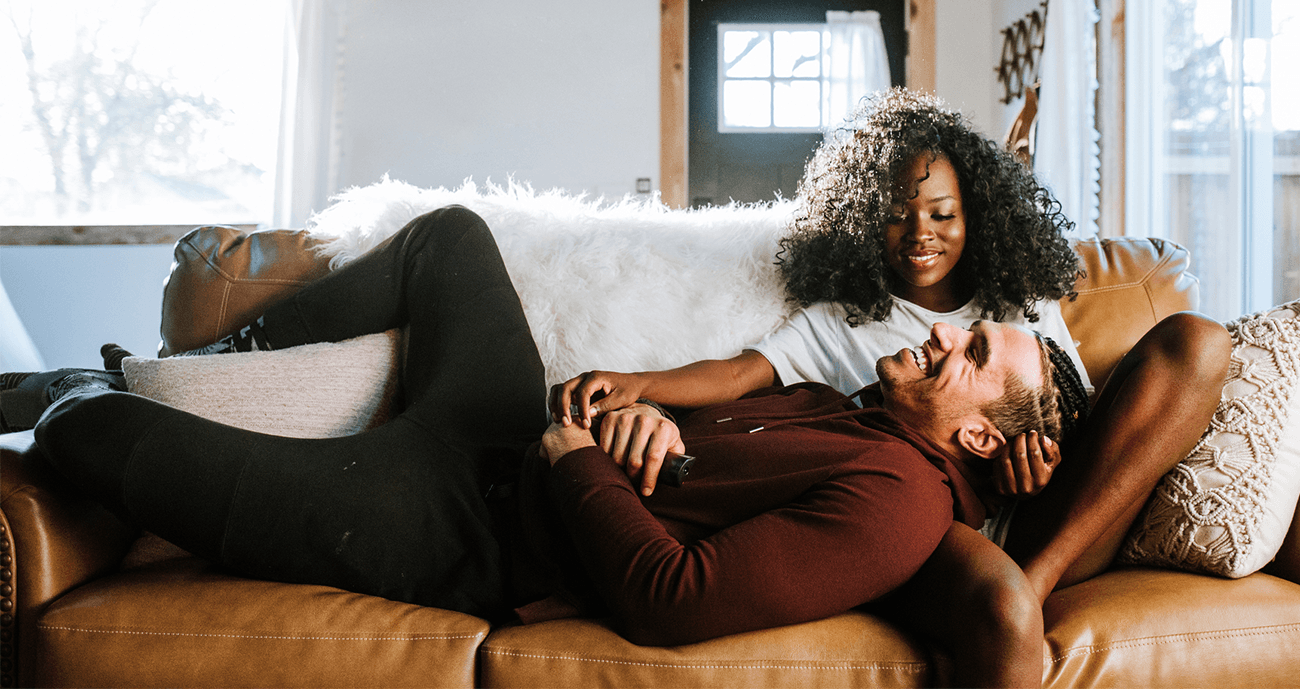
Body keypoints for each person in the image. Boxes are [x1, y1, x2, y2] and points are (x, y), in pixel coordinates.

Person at [1, 204, 1083, 651]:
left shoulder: (896, 503)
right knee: (449, 238)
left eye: (975, 358)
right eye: (969, 333)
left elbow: (678, 597)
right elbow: (701, 446)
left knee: (90, 430)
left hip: (463, 531)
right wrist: (634, 414)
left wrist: (581, 466)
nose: (947, 339)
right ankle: (211, 363)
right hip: (503, 427)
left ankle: (98, 390)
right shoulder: (852, 403)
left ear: (982, 440)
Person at [549, 88, 1232, 686]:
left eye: (942, 214)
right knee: (1002, 607)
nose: (920, 234)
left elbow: (1060, 402)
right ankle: (1017, 587)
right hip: (934, 532)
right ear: (862, 220)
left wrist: (1038, 460)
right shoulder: (845, 323)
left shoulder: (1018, 301)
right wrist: (640, 383)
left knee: (1200, 342)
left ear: (979, 214)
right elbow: (736, 374)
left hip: (1051, 516)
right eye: (896, 214)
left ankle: (1036, 574)